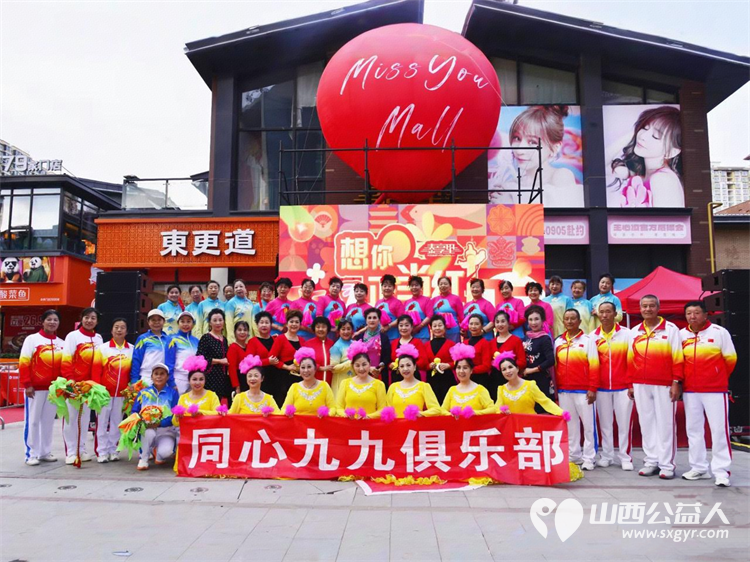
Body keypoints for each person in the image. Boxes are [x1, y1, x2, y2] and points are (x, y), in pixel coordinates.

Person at [680, 300, 737, 487]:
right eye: (689, 313)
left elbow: (730, 359)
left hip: (715, 390)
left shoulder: (719, 333)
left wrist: (716, 377)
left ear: (705, 315)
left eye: (696, 313)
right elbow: (679, 361)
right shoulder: (681, 335)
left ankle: (721, 471)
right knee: (693, 430)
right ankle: (699, 468)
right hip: (690, 390)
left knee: (719, 430)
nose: (693, 316)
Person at [628, 294, 684, 479]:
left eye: (651, 306)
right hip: (640, 384)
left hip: (664, 384)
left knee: (665, 424)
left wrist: (676, 382)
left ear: (658, 308)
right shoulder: (634, 331)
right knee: (646, 423)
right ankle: (651, 461)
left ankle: (667, 464)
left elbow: (678, 357)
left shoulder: (671, 329)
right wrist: (630, 384)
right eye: (644, 306)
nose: (648, 309)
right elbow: (630, 359)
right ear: (640, 309)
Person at [490, 105, 582, 207]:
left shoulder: (561, 176)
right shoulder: (511, 184)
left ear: (555, 147)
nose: (520, 150)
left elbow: (561, 212)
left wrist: (512, 203)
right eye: (517, 138)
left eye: (532, 142)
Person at [609, 106, 683, 208]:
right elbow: (596, 168)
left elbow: (668, 218)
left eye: (655, 136)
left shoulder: (663, 180)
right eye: (644, 128)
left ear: (671, 152)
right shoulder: (640, 175)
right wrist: (633, 134)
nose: (642, 136)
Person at [591, 302, 634, 471]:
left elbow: (632, 360)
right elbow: (592, 364)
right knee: (605, 424)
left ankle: (625, 457)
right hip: (602, 388)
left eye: (608, 311)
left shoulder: (627, 334)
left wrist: (630, 384)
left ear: (615, 314)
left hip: (623, 387)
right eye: (601, 312)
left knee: (624, 424)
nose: (604, 315)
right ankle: (607, 455)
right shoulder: (593, 336)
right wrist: (593, 387)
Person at [555, 309, 599, 471]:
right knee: (571, 425)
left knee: (589, 425)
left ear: (579, 321)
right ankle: (574, 455)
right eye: (567, 319)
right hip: (564, 391)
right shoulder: (558, 342)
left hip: (584, 390)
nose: (569, 321)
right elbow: (555, 366)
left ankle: (589, 457)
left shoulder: (588, 341)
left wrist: (592, 388)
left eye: (573, 318)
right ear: (563, 322)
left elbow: (594, 365)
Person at [20, 309, 65, 466]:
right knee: (32, 421)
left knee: (48, 422)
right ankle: (31, 454)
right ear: (43, 321)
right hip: (35, 389)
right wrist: (27, 384)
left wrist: (62, 387)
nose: (52, 322)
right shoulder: (32, 340)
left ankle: (44, 452)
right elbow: (24, 362)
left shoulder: (61, 343)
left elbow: (64, 367)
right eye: (49, 319)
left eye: (55, 320)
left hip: (53, 390)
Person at [61, 307, 103, 464]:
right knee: (71, 418)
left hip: (89, 386)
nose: (89, 320)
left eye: (93, 318)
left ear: (97, 321)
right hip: (73, 384)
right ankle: (71, 452)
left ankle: (82, 449)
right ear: (81, 318)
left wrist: (94, 384)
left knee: (84, 419)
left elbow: (99, 363)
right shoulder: (73, 336)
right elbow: (66, 359)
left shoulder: (98, 338)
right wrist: (70, 380)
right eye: (87, 317)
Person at [92, 318, 132, 463]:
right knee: (102, 423)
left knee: (117, 422)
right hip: (105, 393)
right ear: (111, 330)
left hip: (122, 394)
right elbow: (96, 371)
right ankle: (101, 452)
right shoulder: (103, 349)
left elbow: (131, 372)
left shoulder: (131, 349)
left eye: (122, 327)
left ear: (126, 331)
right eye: (116, 327)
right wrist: (98, 390)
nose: (119, 330)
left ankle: (113, 450)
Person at [133, 363, 179, 471]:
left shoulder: (173, 393)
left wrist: (160, 423)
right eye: (156, 374)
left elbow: (175, 414)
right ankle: (144, 458)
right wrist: (141, 421)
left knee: (166, 452)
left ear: (167, 377)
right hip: (147, 429)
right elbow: (134, 411)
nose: (159, 376)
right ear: (151, 376)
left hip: (166, 431)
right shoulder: (143, 393)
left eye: (162, 374)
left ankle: (158, 454)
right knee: (148, 433)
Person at [496, 353, 564, 416]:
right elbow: (497, 409)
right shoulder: (501, 389)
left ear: (517, 368)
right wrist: (502, 412)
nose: (508, 371)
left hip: (530, 423)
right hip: (512, 424)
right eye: (504, 369)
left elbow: (545, 402)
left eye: (510, 367)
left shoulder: (530, 385)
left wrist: (561, 413)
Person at [386, 344, 442, 417]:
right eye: (402, 366)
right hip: (396, 424)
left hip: (415, 424)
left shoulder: (423, 386)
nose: (405, 369)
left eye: (408, 365)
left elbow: (436, 409)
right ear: (398, 369)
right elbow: (387, 411)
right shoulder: (393, 387)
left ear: (415, 367)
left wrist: (420, 414)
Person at [336, 340, 388, 417]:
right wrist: (346, 415)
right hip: (348, 423)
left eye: (364, 364)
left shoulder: (379, 384)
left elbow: (382, 409)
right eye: (357, 365)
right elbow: (338, 408)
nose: (361, 369)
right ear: (352, 366)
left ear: (370, 363)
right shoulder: (345, 383)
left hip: (369, 424)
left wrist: (369, 417)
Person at [442, 343, 496, 415]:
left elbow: (493, 409)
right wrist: (451, 414)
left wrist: (475, 413)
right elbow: (442, 410)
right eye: (458, 367)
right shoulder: (452, 390)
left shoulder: (480, 389)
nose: (461, 371)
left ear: (471, 370)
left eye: (465, 368)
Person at [282, 348, 335, 415]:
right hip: (298, 422)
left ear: (315, 369)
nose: (306, 370)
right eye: (303, 367)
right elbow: (283, 409)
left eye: (309, 367)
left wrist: (326, 414)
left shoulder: (324, 386)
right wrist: (288, 413)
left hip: (319, 421)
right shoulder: (294, 387)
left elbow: (333, 408)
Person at [269, 309, 304, 406]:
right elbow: (271, 358)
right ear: (287, 324)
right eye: (291, 321)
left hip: (298, 377)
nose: (294, 324)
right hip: (283, 377)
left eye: (297, 322)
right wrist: (287, 367)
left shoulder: (302, 340)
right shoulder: (280, 339)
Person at [522, 305, 556, 405]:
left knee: (541, 408)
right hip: (527, 379)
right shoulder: (526, 337)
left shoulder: (545, 338)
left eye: (536, 319)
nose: (533, 323)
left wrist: (532, 370)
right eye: (530, 319)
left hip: (541, 379)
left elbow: (551, 360)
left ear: (542, 321)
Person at [197, 309, 232, 403]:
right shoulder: (206, 338)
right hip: (210, 377)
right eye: (215, 320)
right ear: (210, 323)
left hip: (222, 378)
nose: (218, 323)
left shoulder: (224, 339)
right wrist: (219, 361)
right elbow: (200, 358)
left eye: (220, 320)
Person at [131, 309, 172, 387]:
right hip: (146, 378)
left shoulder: (168, 340)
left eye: (159, 320)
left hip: (162, 378)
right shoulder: (143, 338)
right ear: (148, 322)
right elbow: (136, 359)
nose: (156, 322)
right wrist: (134, 379)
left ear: (164, 321)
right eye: (153, 320)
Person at [353, 308, 392, 387]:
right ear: (366, 320)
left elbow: (387, 355)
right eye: (369, 318)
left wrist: (380, 367)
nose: (372, 320)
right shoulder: (360, 337)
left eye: (374, 318)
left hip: (379, 372)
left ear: (379, 320)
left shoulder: (384, 337)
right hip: (363, 371)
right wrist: (368, 368)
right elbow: (356, 356)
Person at [491, 310, 526, 396]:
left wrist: (509, 367)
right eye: (497, 322)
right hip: (495, 379)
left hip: (511, 378)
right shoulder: (491, 342)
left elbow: (522, 361)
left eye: (503, 321)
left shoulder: (516, 340)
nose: (500, 324)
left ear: (508, 323)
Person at [422, 314, 456, 404]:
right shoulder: (426, 345)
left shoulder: (451, 344)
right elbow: (423, 364)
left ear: (445, 327)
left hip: (447, 379)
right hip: (431, 379)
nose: (437, 328)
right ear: (431, 328)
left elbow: (457, 362)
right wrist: (429, 366)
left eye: (440, 325)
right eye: (435, 326)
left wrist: (448, 365)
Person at [165, 311, 199, 395]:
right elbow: (169, 362)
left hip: (194, 379)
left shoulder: (196, 341)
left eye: (188, 321)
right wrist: (171, 382)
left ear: (193, 324)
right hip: (178, 379)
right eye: (182, 321)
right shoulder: (172, 340)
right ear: (178, 323)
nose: (185, 324)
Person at [246, 311, 279, 397]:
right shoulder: (252, 342)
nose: (264, 325)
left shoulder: (276, 340)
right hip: (260, 378)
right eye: (261, 322)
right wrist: (267, 361)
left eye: (267, 322)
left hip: (277, 377)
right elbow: (249, 362)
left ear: (271, 325)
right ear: (257, 325)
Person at [389, 314, 428, 387]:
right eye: (401, 325)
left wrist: (409, 367)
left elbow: (423, 361)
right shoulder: (394, 342)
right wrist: (391, 365)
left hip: (413, 376)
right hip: (396, 376)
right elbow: (389, 359)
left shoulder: (417, 342)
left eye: (406, 325)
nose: (403, 328)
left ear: (412, 327)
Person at [463, 314, 493, 397]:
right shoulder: (465, 343)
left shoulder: (485, 343)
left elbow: (486, 366)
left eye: (476, 324)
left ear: (482, 326)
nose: (473, 326)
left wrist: (470, 370)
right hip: (466, 379)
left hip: (481, 380)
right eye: (471, 324)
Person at [429, 276, 464, 342]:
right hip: (438, 331)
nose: (443, 286)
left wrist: (463, 329)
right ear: (438, 286)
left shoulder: (456, 298)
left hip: (453, 331)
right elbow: (431, 317)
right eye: (441, 284)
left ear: (450, 286)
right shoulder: (433, 300)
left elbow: (461, 317)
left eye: (445, 284)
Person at [302, 316, 335, 384]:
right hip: (313, 383)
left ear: (328, 329)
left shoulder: (332, 344)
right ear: (314, 329)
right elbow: (303, 362)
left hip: (330, 382)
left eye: (323, 327)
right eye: (318, 327)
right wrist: (320, 368)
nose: (320, 329)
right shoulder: (308, 344)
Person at [330, 319, 355, 395]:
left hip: (354, 381)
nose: (346, 332)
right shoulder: (336, 347)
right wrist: (351, 362)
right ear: (339, 331)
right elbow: (333, 368)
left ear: (352, 330)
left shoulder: (355, 343)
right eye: (343, 329)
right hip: (341, 382)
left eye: (348, 329)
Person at [225, 279, 255, 344]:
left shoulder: (250, 303)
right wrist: (232, 341)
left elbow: (253, 321)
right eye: (236, 287)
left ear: (245, 289)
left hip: (249, 337)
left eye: (241, 286)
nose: (238, 289)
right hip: (236, 338)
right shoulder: (231, 303)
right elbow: (229, 323)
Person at [375, 274, 404, 340]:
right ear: (381, 287)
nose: (387, 288)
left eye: (389, 286)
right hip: (379, 336)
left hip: (393, 337)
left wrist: (389, 326)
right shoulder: (378, 303)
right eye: (385, 286)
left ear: (393, 288)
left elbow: (401, 319)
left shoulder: (397, 302)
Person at [403, 275, 431, 342]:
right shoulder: (406, 302)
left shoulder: (427, 300)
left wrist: (419, 327)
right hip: (409, 335)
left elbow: (429, 316)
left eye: (416, 285)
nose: (414, 287)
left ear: (421, 287)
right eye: (412, 285)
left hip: (423, 335)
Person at [227, 320, 251, 392]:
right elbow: (232, 368)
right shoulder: (233, 347)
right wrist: (237, 386)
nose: (242, 332)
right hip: (239, 380)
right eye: (239, 330)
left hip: (249, 379)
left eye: (245, 330)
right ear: (235, 332)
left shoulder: (249, 346)